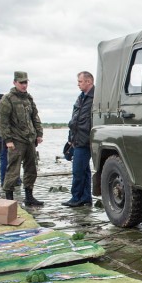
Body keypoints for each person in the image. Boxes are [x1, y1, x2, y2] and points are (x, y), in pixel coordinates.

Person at [0, 71, 45, 206]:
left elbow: (35, 116)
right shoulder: (7, 99)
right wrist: (7, 140)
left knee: (31, 168)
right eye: (21, 82)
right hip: (16, 140)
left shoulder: (29, 98)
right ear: (14, 82)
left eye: (26, 82)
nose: (24, 85)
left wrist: (39, 133)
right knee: (13, 169)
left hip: (30, 139)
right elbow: (2, 122)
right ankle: (9, 198)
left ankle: (29, 196)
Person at [62, 71, 95, 207]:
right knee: (84, 170)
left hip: (86, 139)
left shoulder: (96, 98)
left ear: (89, 82)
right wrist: (70, 138)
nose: (78, 84)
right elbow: (75, 119)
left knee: (78, 171)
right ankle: (86, 198)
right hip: (77, 139)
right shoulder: (81, 97)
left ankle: (76, 198)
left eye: (80, 82)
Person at [0, 93, 21, 188]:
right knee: (13, 159)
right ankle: (14, 180)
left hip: (2, 137)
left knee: (5, 159)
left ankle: (4, 181)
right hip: (10, 137)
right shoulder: (6, 108)